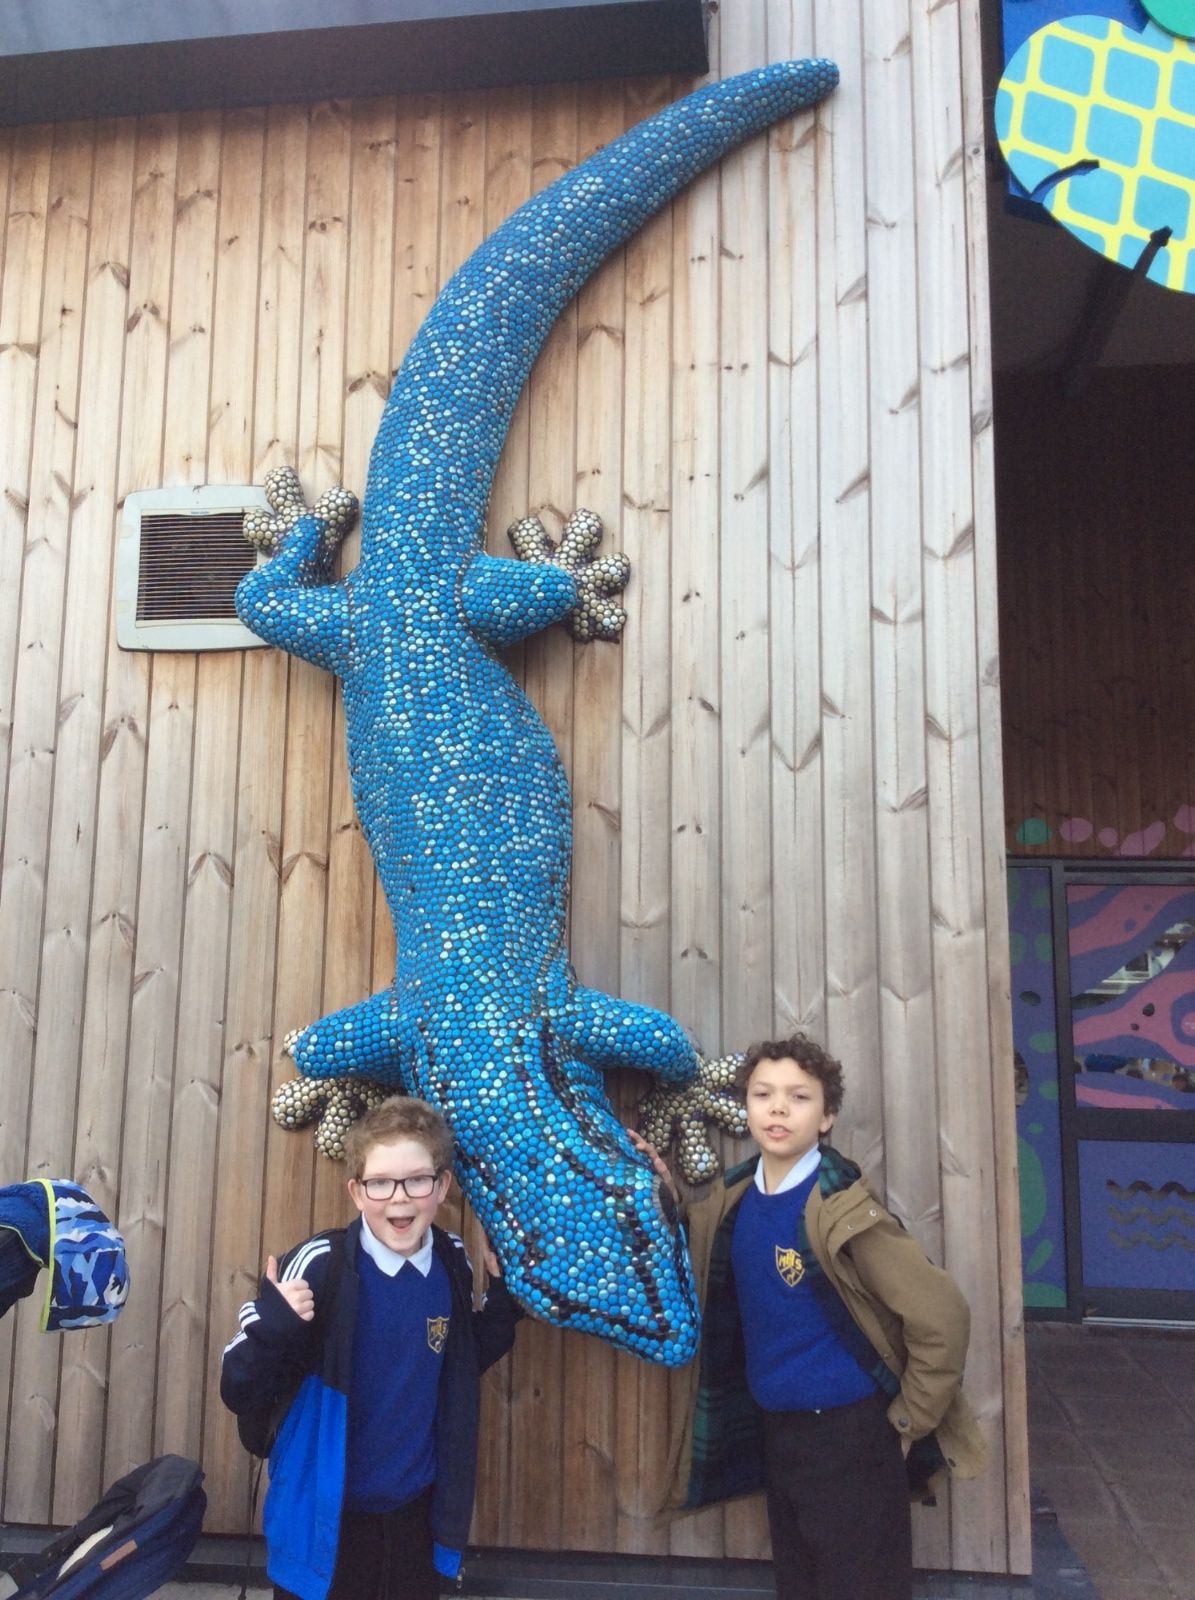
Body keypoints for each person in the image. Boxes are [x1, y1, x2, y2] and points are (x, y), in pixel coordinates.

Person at [637, 1034, 987, 1600]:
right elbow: (689, 1241)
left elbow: (943, 1317)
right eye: (763, 1094)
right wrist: (663, 1191)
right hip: (778, 1431)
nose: (778, 1108)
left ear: (826, 1117)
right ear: (746, 1108)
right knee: (800, 1581)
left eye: (798, 1097)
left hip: (851, 1437)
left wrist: (907, 1422)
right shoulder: (733, 1199)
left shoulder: (844, 1211)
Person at [221, 1096, 521, 1600]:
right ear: (357, 1192)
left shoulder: (451, 1262)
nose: (399, 1199)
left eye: (417, 1180)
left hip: (415, 1517)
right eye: (380, 1183)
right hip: (324, 1520)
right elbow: (239, 1388)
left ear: (442, 1185)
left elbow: (456, 1358)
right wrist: (274, 1327)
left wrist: (504, 1300)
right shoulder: (320, 1266)